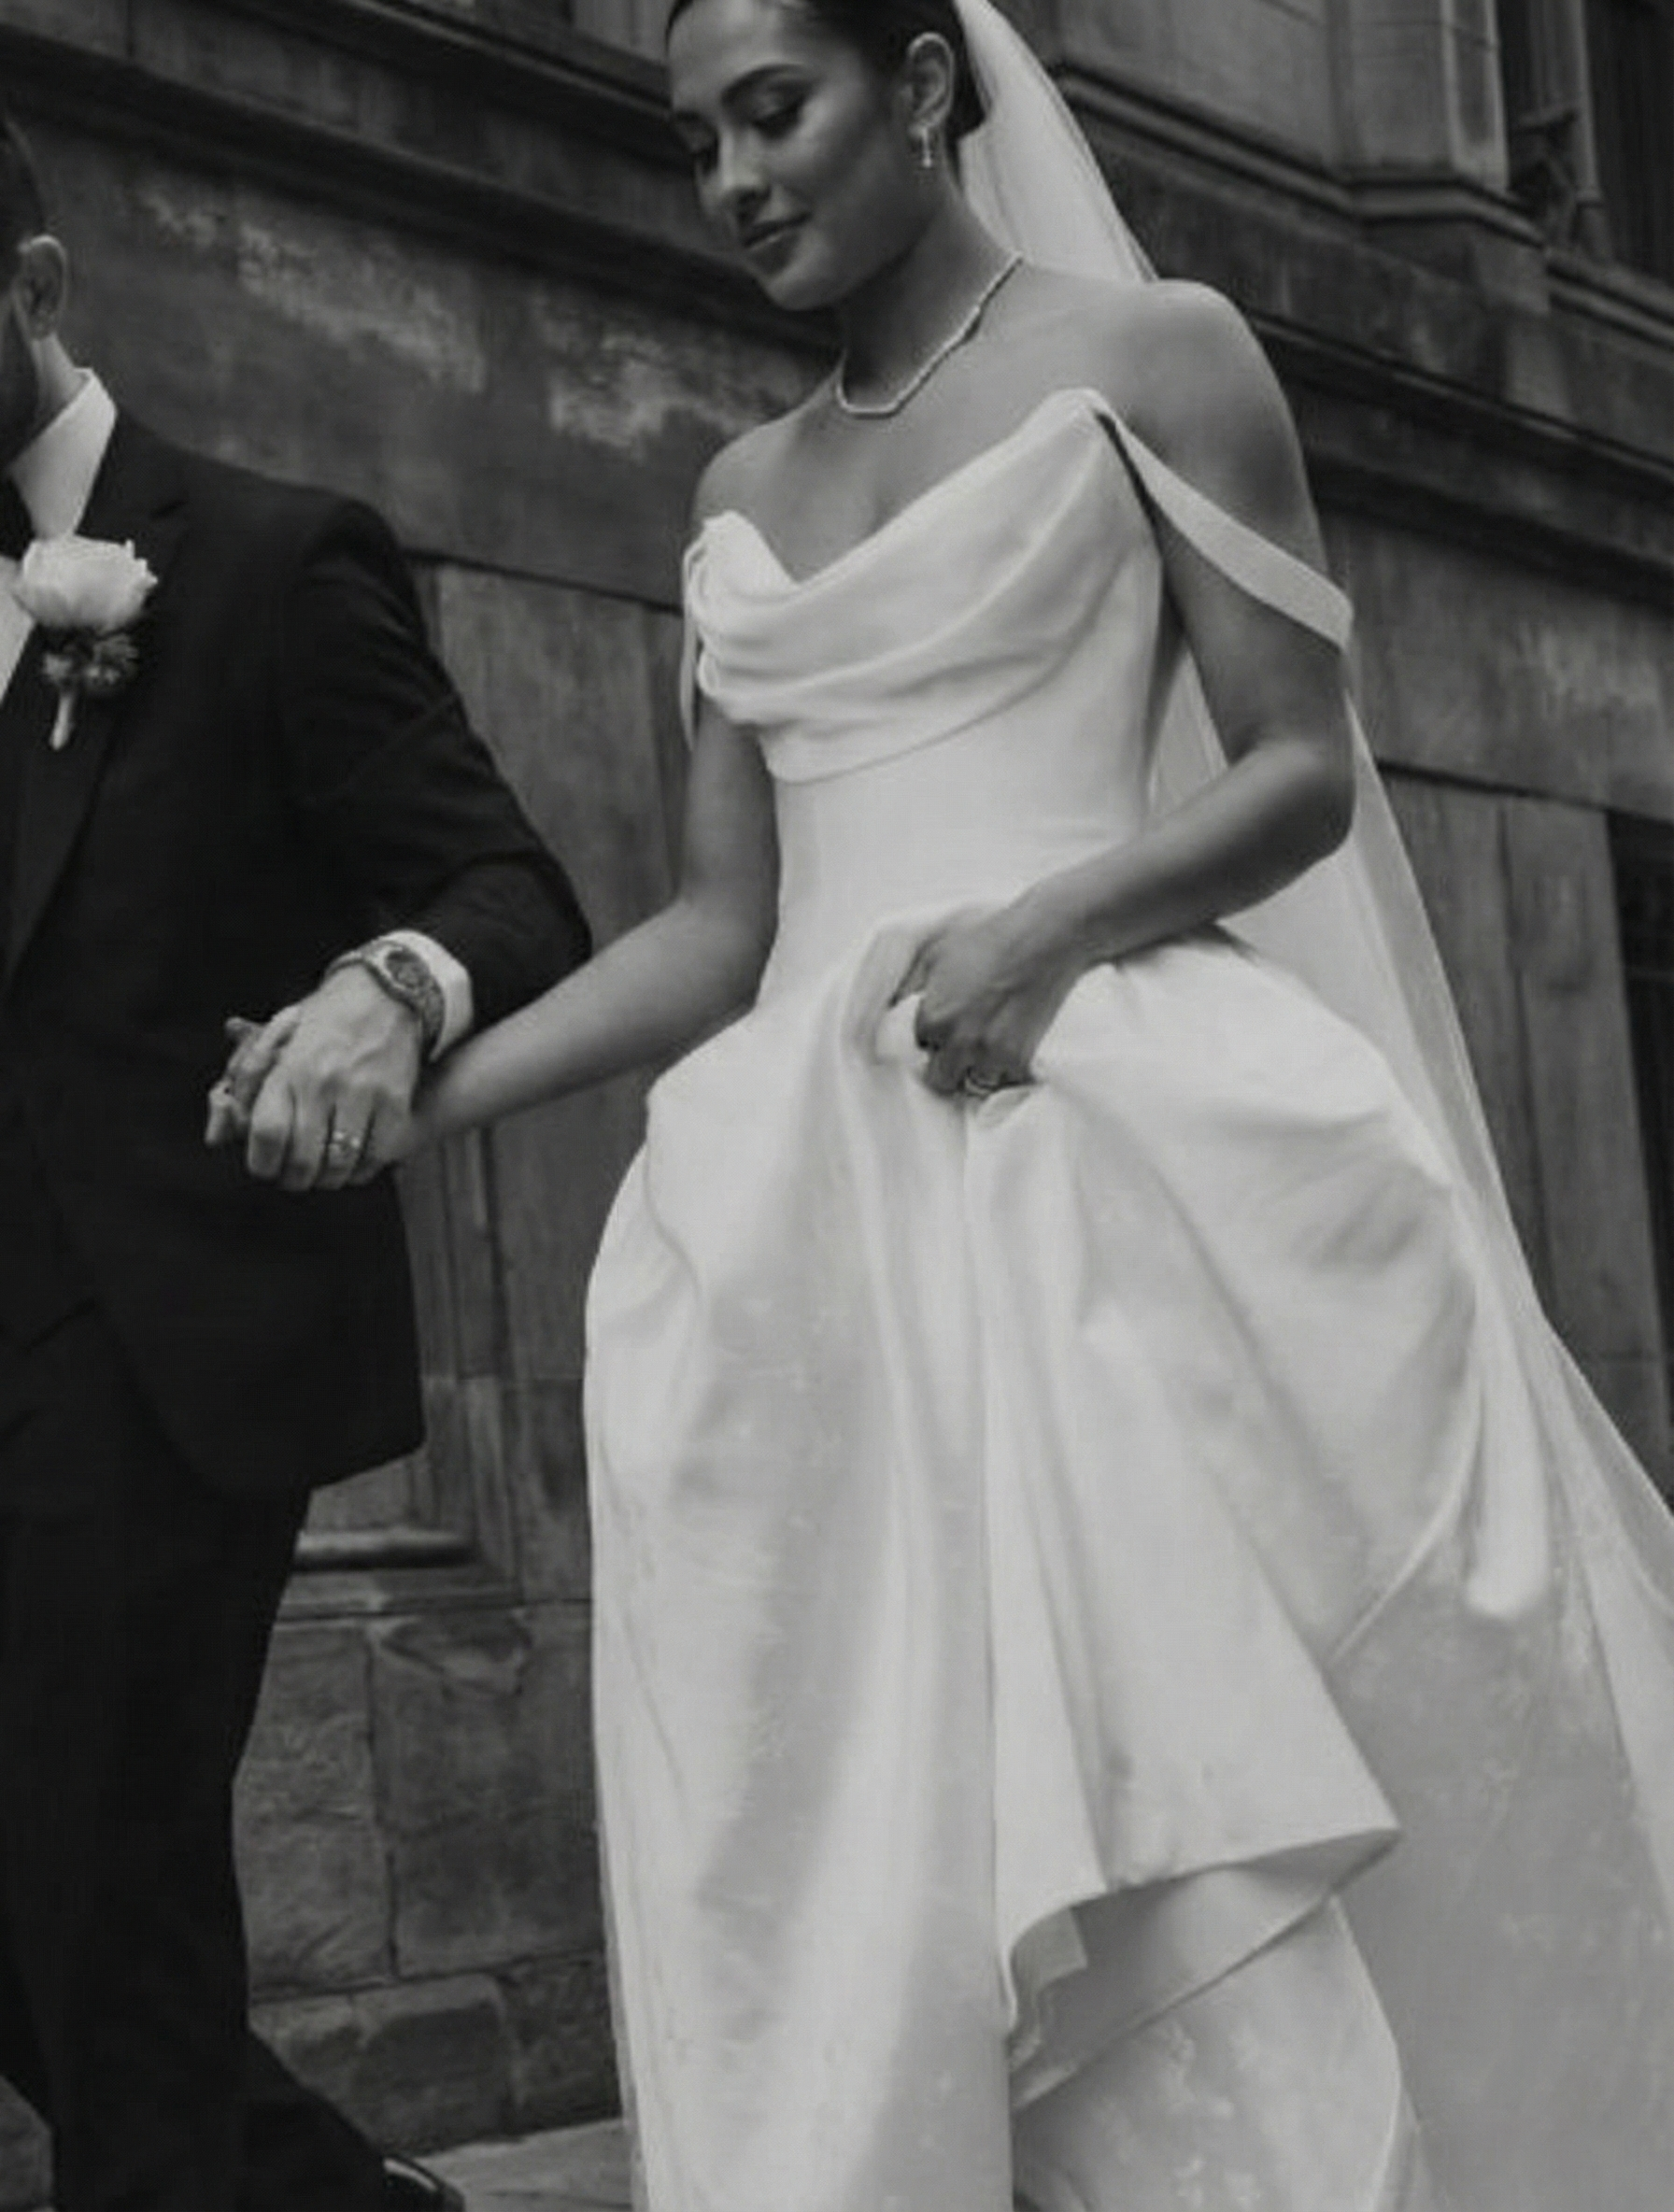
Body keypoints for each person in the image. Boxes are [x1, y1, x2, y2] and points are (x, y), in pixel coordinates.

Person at [228, 0, 1674, 2204]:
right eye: (694, 136)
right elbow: (719, 929)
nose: (730, 180)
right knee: (847, 1833)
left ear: (915, 88)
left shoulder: (1157, 351)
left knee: (1166, 1793)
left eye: (772, 113)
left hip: (1106, 1151)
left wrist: (1048, 928)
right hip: (799, 1231)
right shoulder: (734, 491)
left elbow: (1297, 767)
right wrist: (427, 1085)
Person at [0, 110, 590, 2212]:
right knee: (64, 1942)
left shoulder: (265, 557)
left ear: (37, 290)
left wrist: (387, 988)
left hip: (158, 1364)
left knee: (94, 1881)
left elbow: (509, 883)